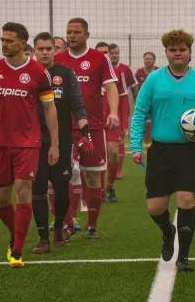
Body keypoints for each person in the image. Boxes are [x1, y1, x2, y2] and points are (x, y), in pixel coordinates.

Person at [0, 22, 59, 268]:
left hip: (28, 143)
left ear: (22, 43)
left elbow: (50, 109)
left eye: (9, 40)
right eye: (3, 40)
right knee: (1, 201)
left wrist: (55, 144)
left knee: (23, 188)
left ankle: (17, 251)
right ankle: (15, 232)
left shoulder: (39, 71)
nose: (4, 44)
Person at [130, 29, 195, 272]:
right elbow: (140, 113)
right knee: (155, 207)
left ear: (189, 52)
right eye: (173, 50)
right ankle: (167, 231)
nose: (178, 53)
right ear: (167, 53)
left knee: (186, 200)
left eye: (182, 49)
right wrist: (137, 146)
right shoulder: (154, 79)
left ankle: (184, 257)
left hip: (190, 152)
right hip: (160, 151)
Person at [55, 18, 119, 240]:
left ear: (87, 35)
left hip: (92, 127)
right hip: (63, 128)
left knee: (92, 178)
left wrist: (113, 112)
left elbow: (111, 86)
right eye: (69, 32)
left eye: (77, 32)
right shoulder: (58, 60)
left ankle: (92, 225)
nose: (72, 36)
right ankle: (66, 222)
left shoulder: (99, 59)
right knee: (63, 175)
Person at [31, 32, 93, 252]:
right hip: (34, 141)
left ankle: (58, 227)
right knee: (37, 187)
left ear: (55, 51)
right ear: (34, 51)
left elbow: (77, 103)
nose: (46, 52)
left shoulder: (66, 74)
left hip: (62, 138)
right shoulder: (28, 74)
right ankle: (43, 239)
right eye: (41, 49)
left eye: (50, 48)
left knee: (60, 185)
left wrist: (86, 130)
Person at [95, 42, 127, 202]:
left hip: (112, 121)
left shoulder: (117, 72)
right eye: (99, 52)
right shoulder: (90, 71)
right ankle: (100, 191)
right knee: (98, 158)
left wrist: (124, 123)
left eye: (105, 52)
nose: (103, 55)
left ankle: (110, 186)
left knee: (113, 154)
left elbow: (124, 99)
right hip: (95, 122)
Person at [109, 44, 138, 180]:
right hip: (103, 112)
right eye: (112, 53)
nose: (114, 55)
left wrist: (139, 107)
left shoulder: (125, 69)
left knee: (120, 140)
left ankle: (118, 171)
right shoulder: (104, 68)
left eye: (116, 53)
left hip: (120, 110)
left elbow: (133, 89)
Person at [135, 52, 159, 153]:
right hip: (145, 105)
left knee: (157, 125)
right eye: (146, 59)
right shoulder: (139, 73)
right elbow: (136, 89)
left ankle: (158, 146)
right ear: (144, 60)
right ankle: (147, 148)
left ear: (154, 60)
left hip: (157, 105)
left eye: (150, 59)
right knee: (146, 126)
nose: (148, 60)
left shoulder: (159, 72)